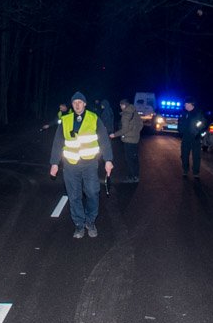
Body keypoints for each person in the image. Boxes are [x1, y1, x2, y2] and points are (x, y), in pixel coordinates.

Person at [49, 91, 114, 238]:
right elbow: (57, 143)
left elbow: (104, 140)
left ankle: (90, 221)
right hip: (70, 165)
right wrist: (54, 163)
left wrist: (108, 160)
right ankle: (79, 225)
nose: (77, 104)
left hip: (89, 163)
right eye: (74, 102)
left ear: (84, 104)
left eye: (80, 102)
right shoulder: (65, 120)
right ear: (72, 105)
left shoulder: (94, 118)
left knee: (92, 192)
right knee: (74, 196)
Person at [110, 97, 144, 182]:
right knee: (134, 158)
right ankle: (136, 176)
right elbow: (141, 124)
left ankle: (131, 177)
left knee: (129, 159)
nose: (120, 107)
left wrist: (114, 134)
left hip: (128, 140)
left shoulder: (126, 115)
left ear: (124, 105)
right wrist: (136, 132)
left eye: (121, 105)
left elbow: (124, 129)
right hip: (136, 139)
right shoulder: (134, 112)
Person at [177, 97, 206, 180]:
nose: (184, 105)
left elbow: (203, 123)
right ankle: (185, 170)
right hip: (186, 137)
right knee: (184, 155)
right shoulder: (183, 113)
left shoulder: (198, 113)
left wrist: (198, 132)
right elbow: (180, 123)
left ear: (191, 104)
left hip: (195, 137)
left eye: (186, 104)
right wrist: (180, 131)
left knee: (196, 156)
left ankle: (196, 172)